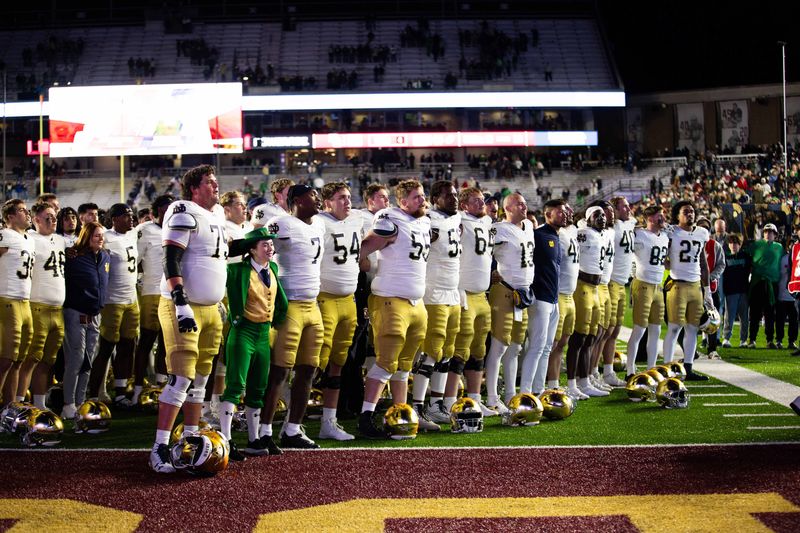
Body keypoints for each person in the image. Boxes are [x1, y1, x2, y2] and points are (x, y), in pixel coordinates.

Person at [149, 165, 229, 474]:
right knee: (180, 378)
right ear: (194, 188)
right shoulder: (183, 209)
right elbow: (170, 257)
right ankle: (159, 447)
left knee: (200, 381)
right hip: (184, 306)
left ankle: (191, 438)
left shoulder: (216, 214)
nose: (215, 186)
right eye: (209, 182)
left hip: (210, 308)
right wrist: (180, 302)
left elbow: (216, 255)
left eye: (215, 180)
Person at [357, 179, 430, 438]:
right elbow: (366, 246)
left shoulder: (423, 221)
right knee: (387, 362)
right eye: (415, 197)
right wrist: (359, 260)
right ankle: (366, 417)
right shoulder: (390, 218)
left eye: (422, 195)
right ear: (402, 202)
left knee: (405, 364)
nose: (422, 200)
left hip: (416, 302)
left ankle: (401, 413)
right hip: (390, 299)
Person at [259, 184, 325, 450]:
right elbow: (256, 243)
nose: (318, 199)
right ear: (297, 200)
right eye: (313, 195)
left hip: (313, 305)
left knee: (309, 369)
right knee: (280, 371)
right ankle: (263, 431)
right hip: (290, 305)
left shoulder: (318, 224)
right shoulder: (282, 224)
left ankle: (293, 429)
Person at [220, 228, 287, 461]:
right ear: (251, 250)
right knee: (235, 385)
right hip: (243, 332)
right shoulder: (236, 270)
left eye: (271, 244)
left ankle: (253, 438)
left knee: (258, 387)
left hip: (263, 332)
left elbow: (278, 300)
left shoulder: (274, 269)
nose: (270, 249)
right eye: (264, 245)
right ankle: (226, 439)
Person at [411, 180, 461, 429]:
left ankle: (435, 404)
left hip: (453, 293)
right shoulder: (427, 219)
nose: (454, 199)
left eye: (455, 195)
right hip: (434, 293)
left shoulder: (455, 218)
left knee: (447, 354)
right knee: (432, 352)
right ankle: (417, 406)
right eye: (448, 196)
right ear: (434, 198)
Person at [314, 182, 362, 441]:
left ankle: (328, 421)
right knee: (313, 362)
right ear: (327, 202)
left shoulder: (356, 219)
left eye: (348, 197)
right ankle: (292, 418)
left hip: (348, 300)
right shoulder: (319, 222)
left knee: (337, 364)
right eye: (340, 198)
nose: (347, 202)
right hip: (323, 299)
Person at [444, 187, 494, 414]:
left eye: (482, 200)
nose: (482, 204)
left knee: (479, 351)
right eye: (476, 201)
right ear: (463, 205)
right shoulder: (458, 220)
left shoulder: (486, 223)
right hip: (463, 293)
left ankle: (474, 399)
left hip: (482, 295)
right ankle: (449, 400)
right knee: (460, 351)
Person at [484, 193, 535, 411]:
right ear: (508, 208)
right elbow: (481, 251)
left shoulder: (529, 227)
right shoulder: (499, 229)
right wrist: (489, 272)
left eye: (524, 203)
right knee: (499, 347)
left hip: (522, 295)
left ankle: (510, 393)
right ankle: (492, 397)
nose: (524, 207)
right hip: (504, 292)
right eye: (519, 204)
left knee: (515, 347)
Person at [87, 204, 140, 408]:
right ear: (115, 218)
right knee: (107, 348)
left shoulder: (133, 235)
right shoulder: (106, 237)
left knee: (128, 346)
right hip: (112, 301)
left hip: (131, 299)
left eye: (131, 215)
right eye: (126, 216)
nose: (131, 218)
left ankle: (120, 391)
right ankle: (93, 394)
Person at [17, 202, 66, 411]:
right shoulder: (29, 239)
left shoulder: (61, 240)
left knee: (47, 361)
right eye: (48, 217)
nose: (53, 220)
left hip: (58, 309)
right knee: (30, 359)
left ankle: (39, 404)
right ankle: (17, 403)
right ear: (35, 220)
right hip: (37, 306)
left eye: (54, 217)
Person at [61, 222, 110, 419]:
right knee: (76, 360)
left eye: (102, 235)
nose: (100, 238)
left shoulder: (105, 256)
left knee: (88, 361)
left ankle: (80, 402)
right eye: (96, 235)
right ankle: (68, 403)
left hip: (95, 315)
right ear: (87, 236)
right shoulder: (74, 256)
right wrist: (68, 252)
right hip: (76, 313)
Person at [520, 199, 566, 396]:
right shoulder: (538, 236)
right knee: (537, 346)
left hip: (553, 299)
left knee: (547, 347)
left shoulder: (556, 237)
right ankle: (525, 392)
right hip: (540, 298)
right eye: (559, 212)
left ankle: (539, 390)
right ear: (547, 215)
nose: (564, 215)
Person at [662, 201, 711, 381]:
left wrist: (707, 290)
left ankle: (688, 367)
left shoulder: (701, 232)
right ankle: (666, 368)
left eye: (692, 211)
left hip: (696, 285)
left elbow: (703, 262)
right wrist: (671, 265)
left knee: (692, 328)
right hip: (677, 285)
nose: (690, 214)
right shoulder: (671, 232)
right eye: (685, 212)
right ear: (677, 215)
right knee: (674, 328)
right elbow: (661, 255)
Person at [565, 206, 609, 399]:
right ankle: (572, 383)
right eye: (596, 215)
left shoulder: (601, 234)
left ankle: (585, 380)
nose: (602, 218)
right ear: (587, 218)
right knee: (579, 338)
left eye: (603, 215)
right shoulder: (582, 233)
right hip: (582, 287)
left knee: (592, 336)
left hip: (596, 289)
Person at [133, 194, 173, 398]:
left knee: (167, 342)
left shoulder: (178, 228)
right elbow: (134, 261)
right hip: (151, 290)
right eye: (165, 207)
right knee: (147, 341)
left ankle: (161, 383)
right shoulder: (145, 230)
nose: (169, 211)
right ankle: (137, 387)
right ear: (156, 210)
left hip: (171, 293)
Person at [0, 199, 36, 408]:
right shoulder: (5, 235)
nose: (27, 214)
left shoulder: (28, 238)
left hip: (25, 302)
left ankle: (9, 407)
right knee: (6, 359)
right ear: (10, 216)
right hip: (8, 300)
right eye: (22, 211)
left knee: (18, 360)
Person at [625, 205, 669, 376]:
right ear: (650, 219)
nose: (663, 218)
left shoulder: (664, 236)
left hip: (658, 286)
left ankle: (651, 369)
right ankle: (630, 370)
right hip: (642, 285)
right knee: (639, 330)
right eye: (659, 215)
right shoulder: (639, 234)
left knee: (656, 330)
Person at [545, 204, 580, 396]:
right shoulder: (556, 235)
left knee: (562, 343)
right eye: (564, 211)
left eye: (569, 210)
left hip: (570, 295)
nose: (569, 214)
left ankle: (555, 383)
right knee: (552, 344)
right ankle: (546, 384)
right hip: (557, 294)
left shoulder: (572, 231)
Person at [600, 197, 635, 386]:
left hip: (622, 284)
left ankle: (608, 371)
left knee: (614, 332)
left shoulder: (628, 224)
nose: (629, 209)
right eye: (624, 206)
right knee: (606, 331)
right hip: (611, 282)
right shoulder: (611, 230)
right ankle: (599, 372)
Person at [745, 223, 783, 349]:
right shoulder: (755, 245)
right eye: (766, 231)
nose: (768, 233)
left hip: (772, 284)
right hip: (758, 282)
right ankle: (752, 339)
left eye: (771, 232)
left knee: (770, 313)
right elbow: (748, 260)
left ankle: (769, 340)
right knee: (755, 313)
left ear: (775, 234)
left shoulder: (779, 247)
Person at [696, 216, 725, 359]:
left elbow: (721, 264)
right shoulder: (692, 243)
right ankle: (691, 350)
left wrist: (711, 276)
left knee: (712, 318)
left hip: (711, 288)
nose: (704, 230)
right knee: (692, 319)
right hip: (693, 288)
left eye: (706, 228)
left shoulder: (715, 245)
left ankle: (712, 349)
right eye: (701, 227)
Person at [721, 234, 751, 349]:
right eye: (731, 243)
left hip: (744, 291)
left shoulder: (746, 256)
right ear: (728, 245)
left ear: (740, 245)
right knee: (729, 316)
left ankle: (743, 340)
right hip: (731, 292)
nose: (733, 245)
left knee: (744, 317)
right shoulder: (726, 258)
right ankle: (726, 338)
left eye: (736, 243)